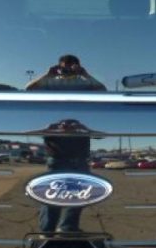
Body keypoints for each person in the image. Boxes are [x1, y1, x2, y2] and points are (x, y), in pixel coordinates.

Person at [27, 55, 106, 234]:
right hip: (57, 156)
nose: (69, 69)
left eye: (73, 66)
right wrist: (47, 74)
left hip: (80, 156)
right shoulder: (51, 82)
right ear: (57, 67)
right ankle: (46, 232)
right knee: (51, 197)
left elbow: (103, 91)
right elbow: (29, 89)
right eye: (64, 66)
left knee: (79, 197)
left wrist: (85, 75)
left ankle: (68, 228)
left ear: (79, 67)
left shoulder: (83, 82)